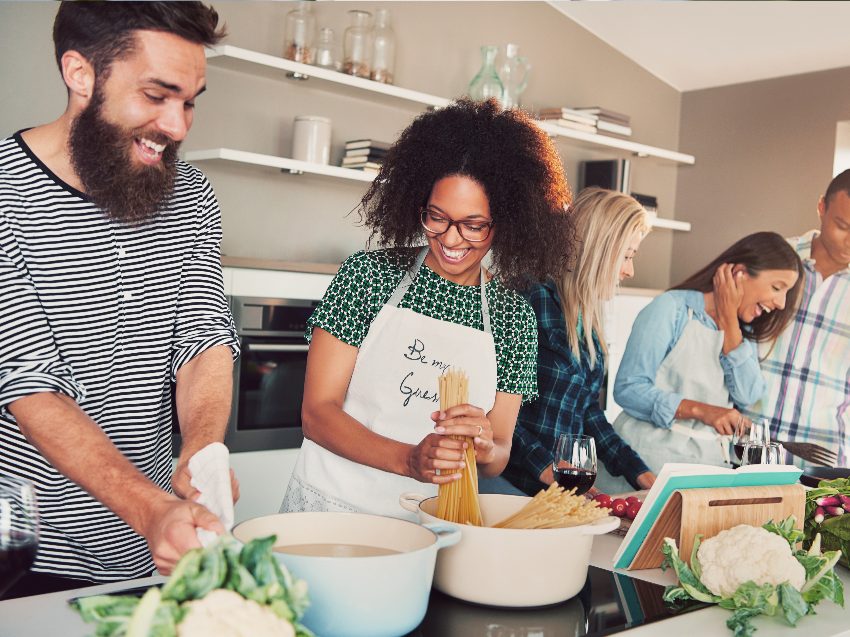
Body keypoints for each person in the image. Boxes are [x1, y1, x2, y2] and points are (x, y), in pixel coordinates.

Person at [0, 2, 239, 597]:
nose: (179, 125)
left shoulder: (187, 190)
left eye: (189, 101)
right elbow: (31, 383)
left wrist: (201, 451)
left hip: (157, 551)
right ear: (81, 74)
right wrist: (150, 508)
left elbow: (204, 336)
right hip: (30, 554)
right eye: (156, 96)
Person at [281, 98, 573, 519]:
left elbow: (501, 452)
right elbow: (317, 413)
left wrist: (486, 445)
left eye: (473, 225)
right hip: (333, 508)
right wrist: (408, 459)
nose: (452, 240)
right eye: (437, 218)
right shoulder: (368, 277)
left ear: (506, 223)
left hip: (433, 522)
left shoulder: (514, 318)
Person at [596, 232, 803, 493]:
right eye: (776, 288)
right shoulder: (670, 309)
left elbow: (749, 395)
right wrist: (702, 411)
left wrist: (729, 322)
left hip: (706, 475)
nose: (781, 303)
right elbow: (628, 388)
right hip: (642, 471)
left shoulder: (740, 334)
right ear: (739, 273)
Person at [503, 188, 656, 496]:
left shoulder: (588, 323)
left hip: (556, 492)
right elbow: (503, 417)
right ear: (598, 249)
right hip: (513, 486)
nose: (629, 270)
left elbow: (588, 413)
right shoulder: (531, 301)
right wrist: (552, 473)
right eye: (626, 256)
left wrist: (640, 473)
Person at [747, 170, 850, 466]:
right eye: (842, 226)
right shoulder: (773, 260)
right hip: (751, 448)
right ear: (821, 208)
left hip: (826, 461)